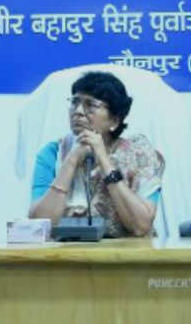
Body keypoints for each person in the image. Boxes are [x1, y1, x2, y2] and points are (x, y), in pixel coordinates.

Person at [27, 70, 161, 238]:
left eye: (90, 105)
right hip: (65, 251)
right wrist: (71, 160)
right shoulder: (53, 152)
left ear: (115, 120)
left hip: (127, 252)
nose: (78, 111)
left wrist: (104, 160)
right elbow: (39, 225)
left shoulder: (140, 154)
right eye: (75, 102)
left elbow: (141, 227)